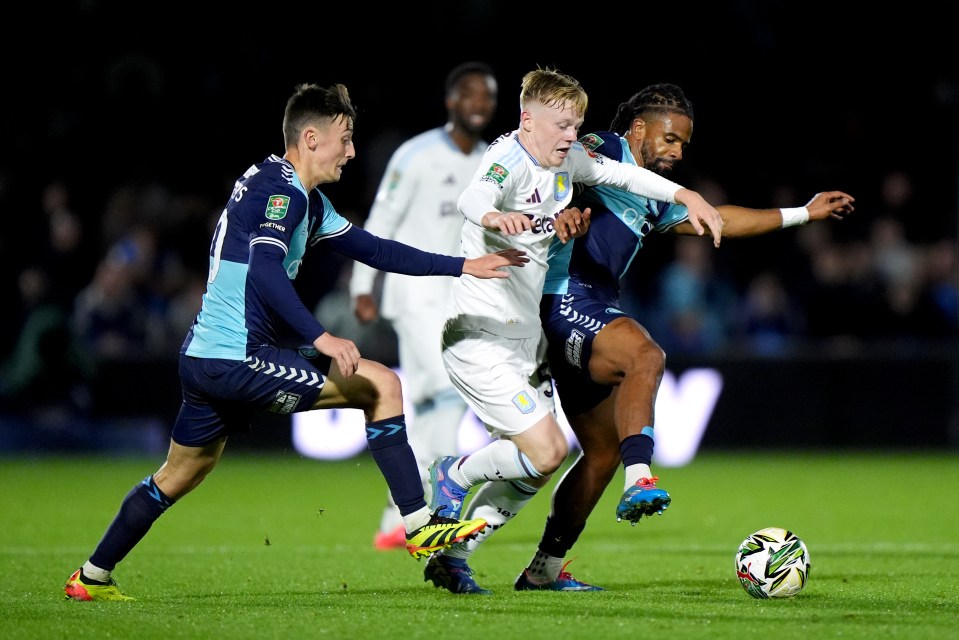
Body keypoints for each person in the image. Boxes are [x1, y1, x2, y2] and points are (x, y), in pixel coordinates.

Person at [63, 81, 530, 602]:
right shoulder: (281, 192)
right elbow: (264, 267)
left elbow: (373, 248)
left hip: (208, 355)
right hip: (236, 356)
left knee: (178, 474)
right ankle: (419, 526)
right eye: (345, 139)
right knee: (378, 385)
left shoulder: (298, 196)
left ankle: (90, 576)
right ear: (311, 138)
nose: (351, 152)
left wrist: (463, 264)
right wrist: (322, 336)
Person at [513, 82, 855, 591]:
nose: (677, 151)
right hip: (563, 297)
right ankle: (641, 478)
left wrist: (803, 213)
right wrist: (560, 208)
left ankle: (542, 569)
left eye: (684, 145)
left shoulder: (652, 198)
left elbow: (719, 220)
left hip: (586, 310)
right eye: (670, 139)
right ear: (637, 129)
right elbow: (556, 165)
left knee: (601, 452)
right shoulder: (606, 149)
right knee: (646, 355)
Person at [423, 69, 726, 595]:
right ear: (528, 119)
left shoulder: (568, 162)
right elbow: (473, 200)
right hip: (484, 333)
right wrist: (497, 215)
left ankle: (456, 555)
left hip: (527, 337)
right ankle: (454, 473)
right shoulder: (507, 159)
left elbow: (629, 179)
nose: (572, 136)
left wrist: (687, 195)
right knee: (545, 451)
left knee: (538, 465)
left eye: (576, 125)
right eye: (563, 125)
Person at [349, 62, 499, 551]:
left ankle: (402, 515)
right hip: (412, 294)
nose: (480, 105)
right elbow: (382, 217)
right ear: (452, 101)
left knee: (437, 402)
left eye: (488, 98)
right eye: (471, 96)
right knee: (445, 392)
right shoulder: (415, 155)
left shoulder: (488, 162)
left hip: (459, 298)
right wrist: (361, 286)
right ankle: (429, 508)